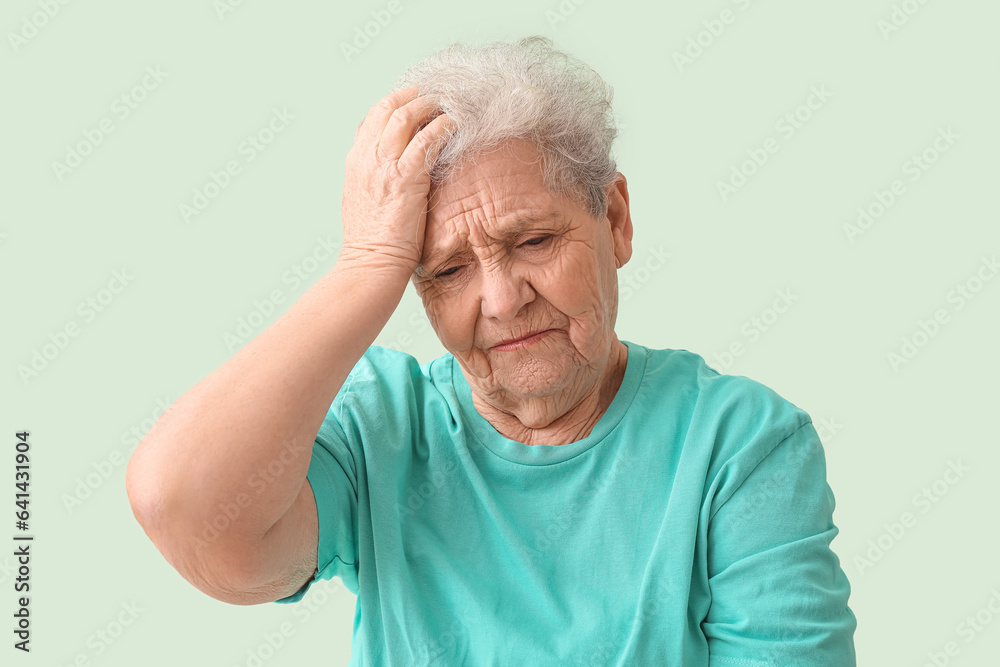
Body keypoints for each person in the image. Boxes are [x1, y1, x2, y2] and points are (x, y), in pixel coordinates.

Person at [126, 35, 857, 666]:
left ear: (617, 220)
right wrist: (364, 267)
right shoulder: (385, 428)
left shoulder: (739, 444)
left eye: (533, 241)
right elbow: (181, 504)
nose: (503, 300)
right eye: (447, 271)